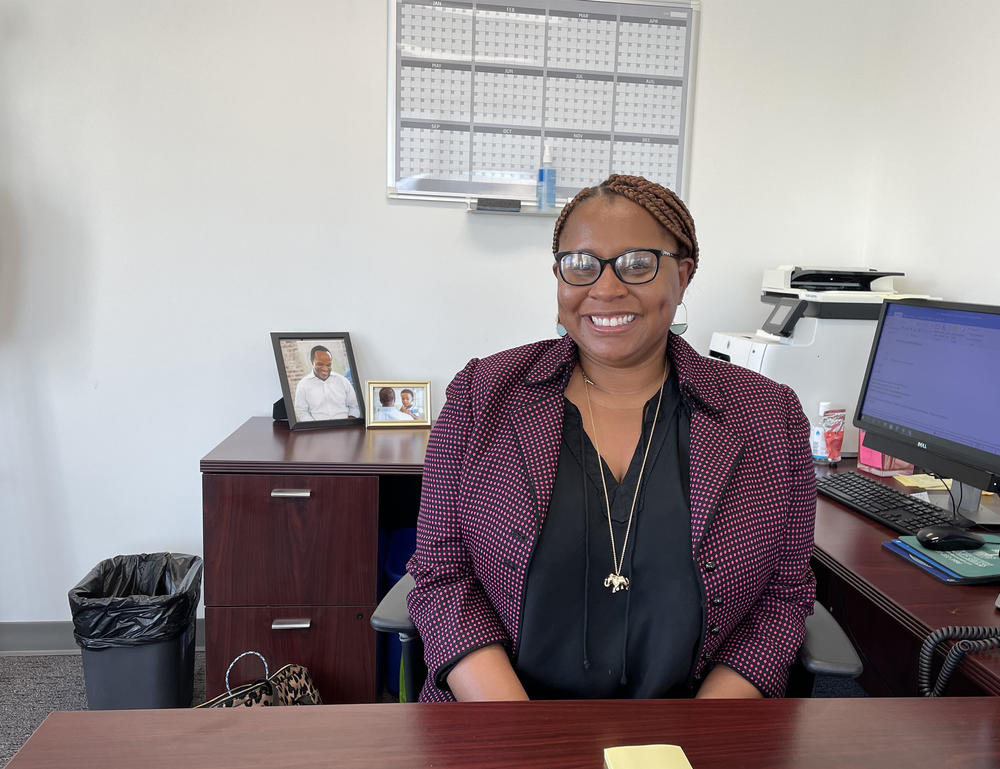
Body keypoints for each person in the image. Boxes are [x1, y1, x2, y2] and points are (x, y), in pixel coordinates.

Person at [406, 174, 816, 703]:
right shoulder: (483, 396)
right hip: (503, 723)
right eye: (581, 265)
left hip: (692, 729)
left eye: (637, 263)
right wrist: (517, 735)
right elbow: (442, 577)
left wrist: (702, 737)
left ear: (683, 275)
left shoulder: (767, 415)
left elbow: (783, 598)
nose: (605, 288)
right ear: (558, 277)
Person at [293, 345, 361, 421]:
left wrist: (349, 422)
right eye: (320, 364)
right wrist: (315, 427)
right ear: (312, 362)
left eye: (328, 365)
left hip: (346, 427)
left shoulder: (342, 381)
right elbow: (301, 411)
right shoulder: (303, 385)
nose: (325, 369)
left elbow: (354, 406)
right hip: (319, 430)